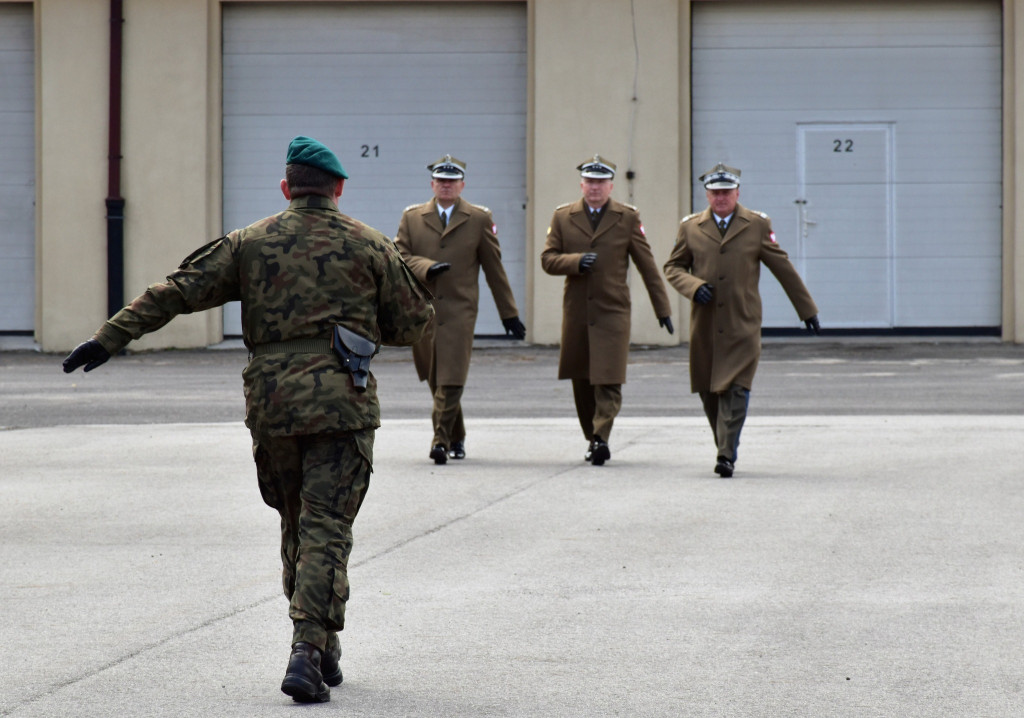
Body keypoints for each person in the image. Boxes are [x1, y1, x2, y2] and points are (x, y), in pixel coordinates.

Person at [62, 136, 434, 704]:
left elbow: (178, 290)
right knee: (327, 526)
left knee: (296, 523)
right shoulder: (371, 245)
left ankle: (321, 645)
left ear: (287, 189)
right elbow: (412, 325)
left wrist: (108, 337)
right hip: (341, 401)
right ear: (338, 189)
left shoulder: (250, 243)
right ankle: (308, 648)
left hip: (273, 405)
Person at [663, 163, 820, 478]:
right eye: (715, 192)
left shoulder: (757, 225)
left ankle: (725, 454)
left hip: (742, 322)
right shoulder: (691, 227)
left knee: (735, 388)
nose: (721, 198)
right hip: (705, 323)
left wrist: (807, 310)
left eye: (726, 192)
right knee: (709, 391)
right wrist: (694, 288)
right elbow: (673, 268)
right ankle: (725, 444)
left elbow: (782, 267)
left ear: (737, 192)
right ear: (706, 194)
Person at [541, 154, 674, 466]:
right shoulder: (563, 216)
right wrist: (574, 262)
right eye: (590, 182)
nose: (595, 187)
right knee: (582, 380)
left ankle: (601, 437)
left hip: (613, 311)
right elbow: (547, 260)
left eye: (601, 182)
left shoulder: (627, 218)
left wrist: (662, 309)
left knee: (609, 378)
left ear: (611, 185)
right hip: (577, 313)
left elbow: (647, 266)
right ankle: (593, 438)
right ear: (582, 185)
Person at [394, 155, 525, 465]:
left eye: (452, 181)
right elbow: (398, 257)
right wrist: (426, 267)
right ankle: (458, 435)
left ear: (462, 185)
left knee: (452, 376)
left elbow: (495, 270)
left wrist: (509, 314)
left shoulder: (478, 218)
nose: (446, 185)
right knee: (435, 379)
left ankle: (439, 441)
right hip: (423, 310)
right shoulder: (412, 217)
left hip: (460, 311)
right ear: (432, 184)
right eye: (441, 181)